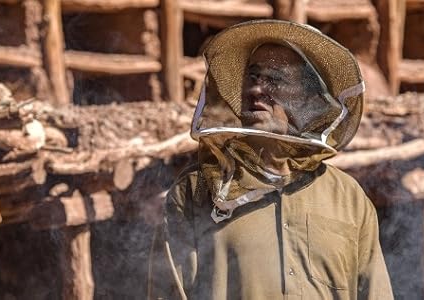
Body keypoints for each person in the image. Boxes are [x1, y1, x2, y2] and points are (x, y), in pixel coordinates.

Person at [148, 20, 392, 299]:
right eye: (252, 78)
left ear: (305, 99)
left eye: (274, 80)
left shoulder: (349, 199)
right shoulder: (196, 192)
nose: (256, 90)